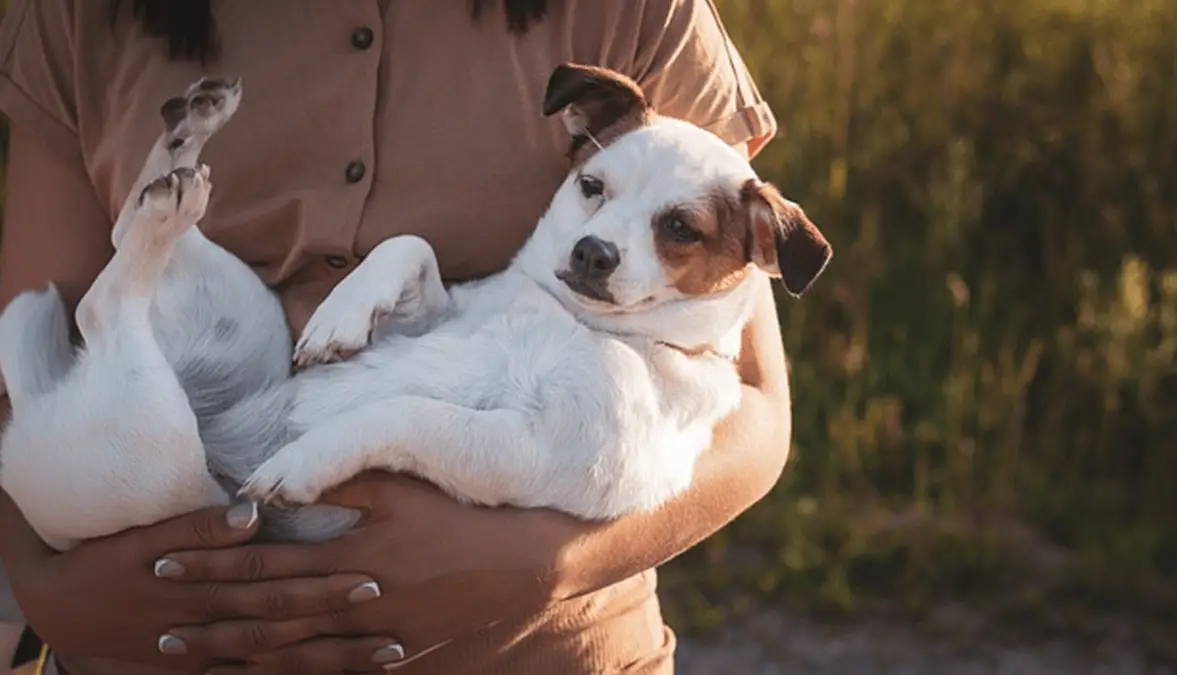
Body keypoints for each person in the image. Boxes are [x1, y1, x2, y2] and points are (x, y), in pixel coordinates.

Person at [0, 1, 795, 673]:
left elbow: (752, 409)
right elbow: (24, 355)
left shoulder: (635, 12)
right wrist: (44, 592)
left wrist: (542, 567)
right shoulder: (85, 15)